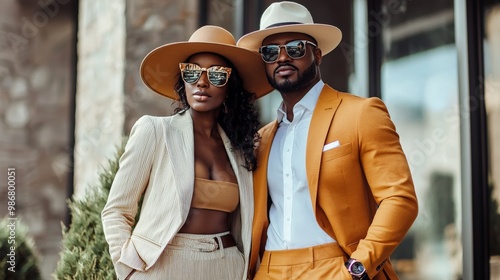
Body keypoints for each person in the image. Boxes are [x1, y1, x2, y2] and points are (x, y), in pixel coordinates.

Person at [237, 2, 418, 279]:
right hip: (270, 269)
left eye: (295, 48)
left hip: (335, 266)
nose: (282, 58)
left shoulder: (361, 114)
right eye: (271, 52)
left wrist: (360, 266)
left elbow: (399, 198)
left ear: (317, 55)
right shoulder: (262, 139)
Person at [101, 25, 272, 280]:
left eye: (216, 75)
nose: (202, 82)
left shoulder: (240, 149)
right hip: (163, 266)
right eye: (191, 73)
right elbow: (116, 210)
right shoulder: (155, 131)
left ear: (230, 86)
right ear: (183, 80)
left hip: (226, 267)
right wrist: (127, 270)